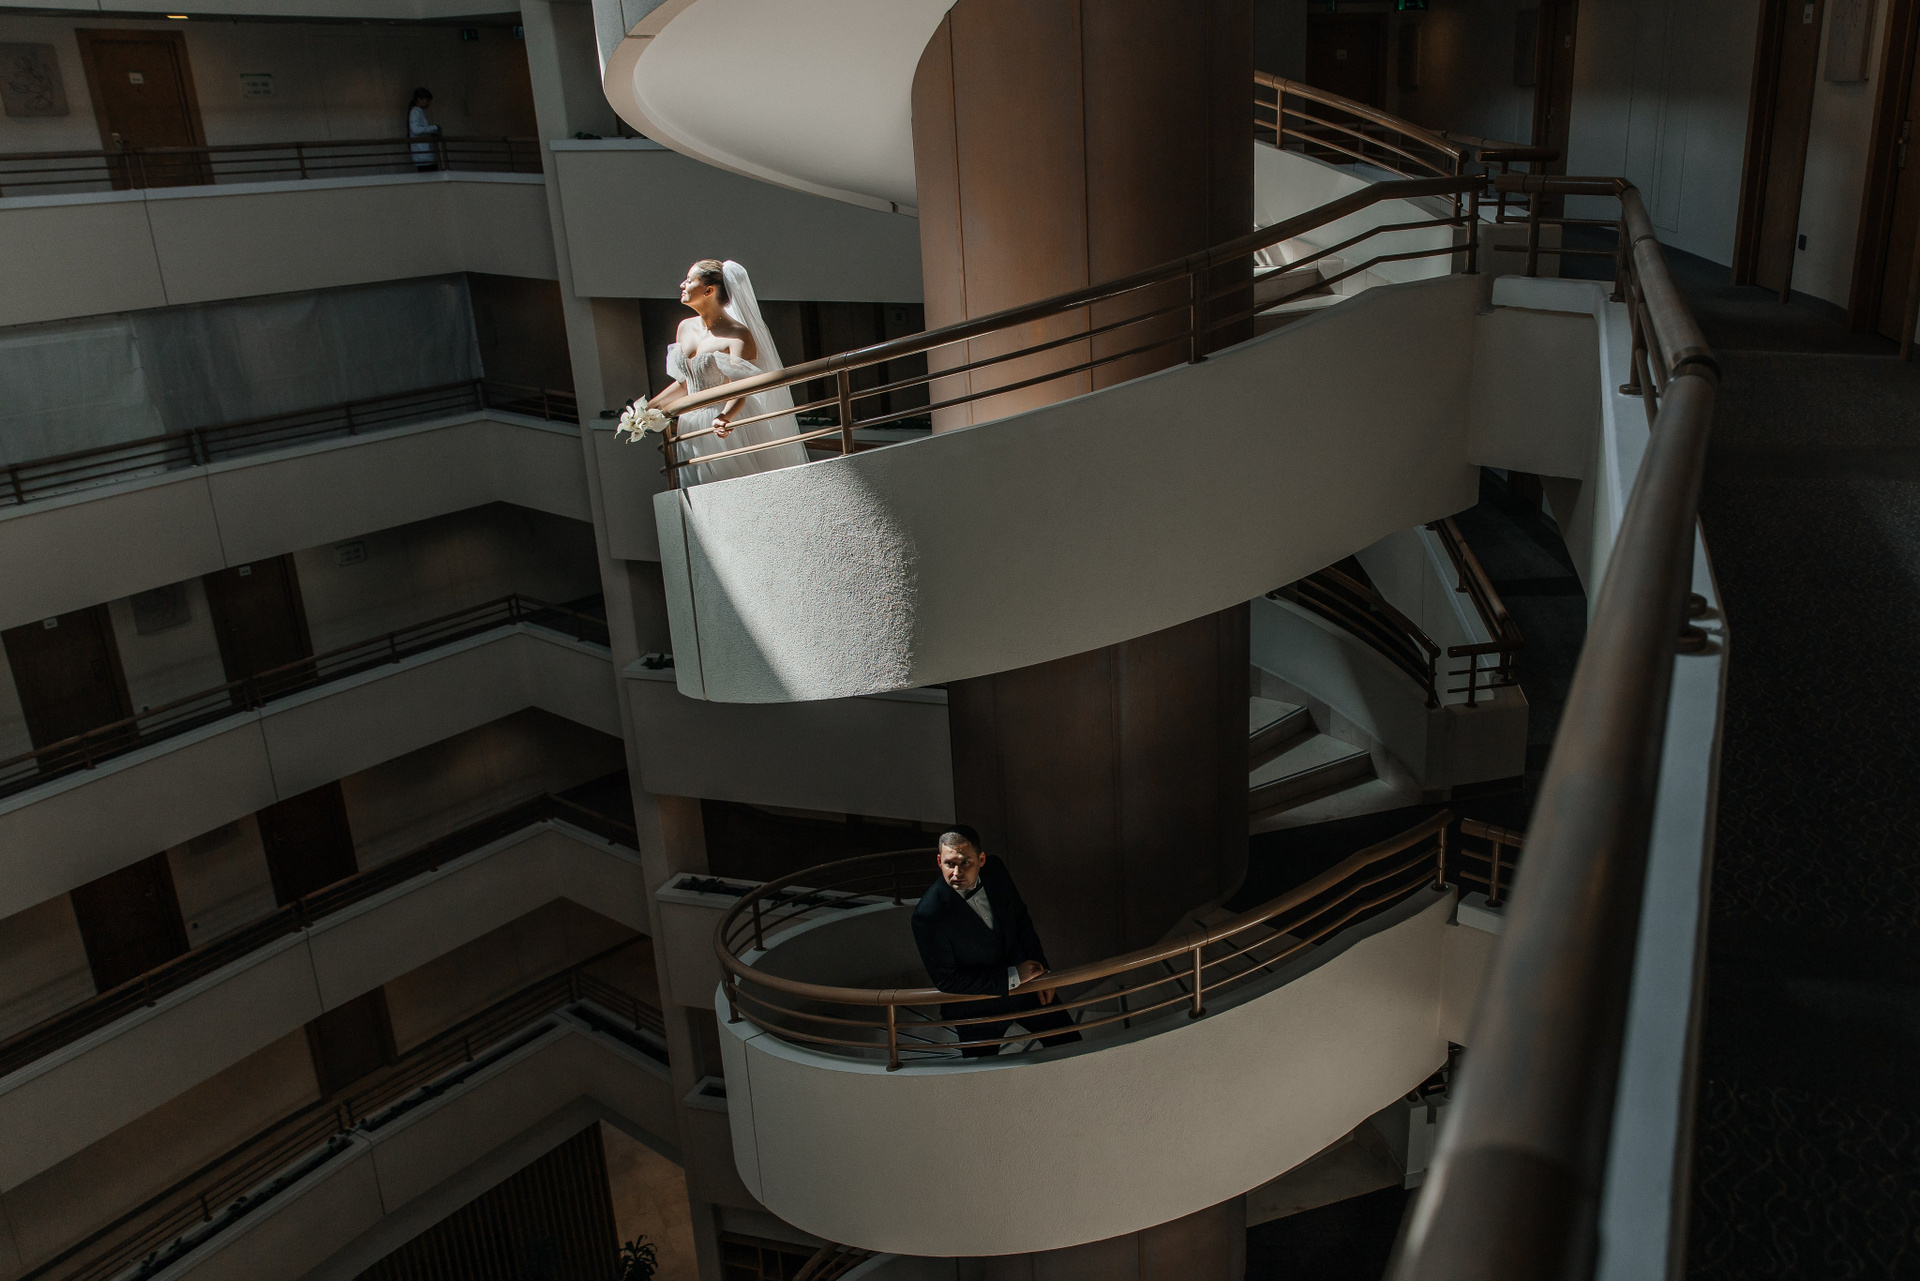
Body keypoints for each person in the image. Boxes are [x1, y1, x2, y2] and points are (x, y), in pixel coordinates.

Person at [910, 825, 1081, 1058]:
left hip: (1029, 988)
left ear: (981, 859)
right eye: (949, 863)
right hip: (976, 1006)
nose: (957, 872)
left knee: (1073, 1049)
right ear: (939, 861)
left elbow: (1021, 921)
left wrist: (1042, 969)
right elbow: (947, 980)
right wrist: (1013, 976)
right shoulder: (928, 914)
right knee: (984, 1073)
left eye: (965, 862)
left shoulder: (995, 870)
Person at [637, 260, 809, 485]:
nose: (682, 285)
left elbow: (742, 386)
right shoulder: (684, 327)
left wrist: (725, 417)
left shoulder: (738, 334)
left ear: (708, 290)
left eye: (689, 280)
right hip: (690, 423)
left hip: (724, 421)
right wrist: (648, 409)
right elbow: (686, 383)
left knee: (732, 485)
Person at [408, 88, 441, 171]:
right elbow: (416, 130)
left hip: (423, 154)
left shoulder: (417, 112)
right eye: (427, 101)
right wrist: (434, 128)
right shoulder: (415, 112)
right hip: (423, 154)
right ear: (419, 99)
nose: (428, 103)